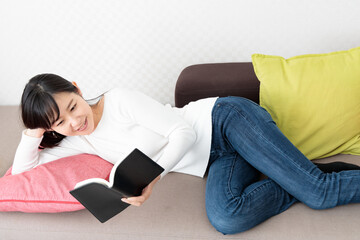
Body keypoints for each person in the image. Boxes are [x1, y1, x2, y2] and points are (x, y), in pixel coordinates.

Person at [14, 73, 360, 234]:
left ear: (78, 88)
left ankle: (303, 178)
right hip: (217, 158)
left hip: (225, 120)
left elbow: (183, 132)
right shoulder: (74, 139)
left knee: (319, 194)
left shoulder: (118, 101)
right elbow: (20, 176)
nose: (76, 121)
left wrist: (151, 177)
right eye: (60, 122)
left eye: (73, 106)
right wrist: (33, 132)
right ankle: (293, 174)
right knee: (228, 218)